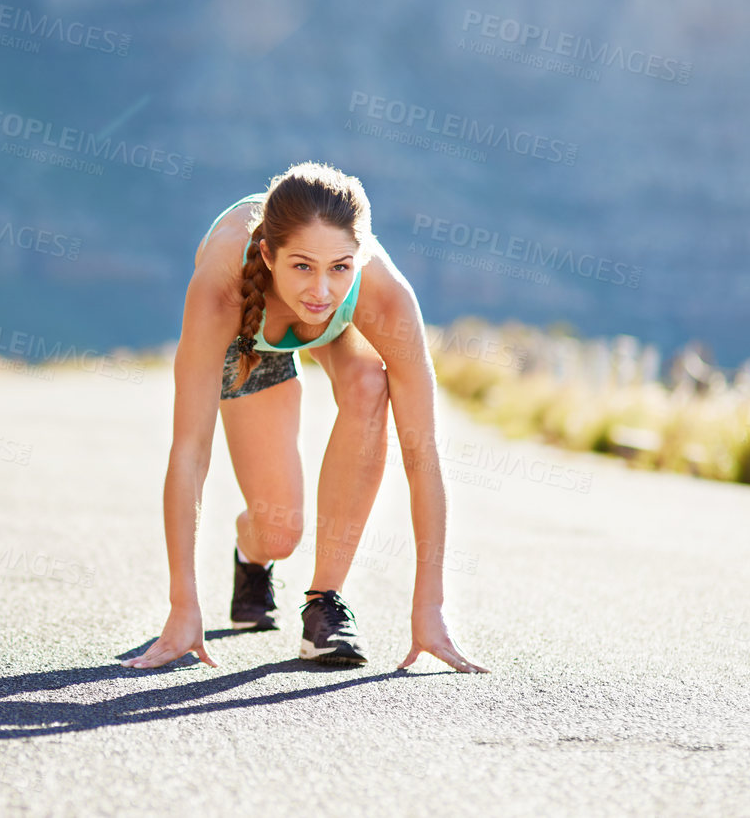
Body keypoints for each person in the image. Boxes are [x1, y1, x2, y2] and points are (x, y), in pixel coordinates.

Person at [124, 161, 486, 672]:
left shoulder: (384, 294)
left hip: (336, 331)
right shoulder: (222, 286)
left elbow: (421, 453)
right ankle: (253, 556)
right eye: (302, 266)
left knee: (368, 383)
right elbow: (190, 451)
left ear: (360, 256)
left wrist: (431, 609)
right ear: (270, 255)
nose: (320, 289)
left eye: (340, 266)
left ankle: (325, 605)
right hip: (251, 328)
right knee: (279, 534)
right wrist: (184, 606)